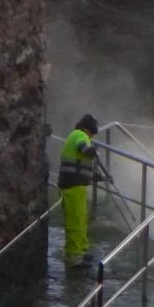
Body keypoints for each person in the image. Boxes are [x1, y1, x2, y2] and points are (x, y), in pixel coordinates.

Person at [58, 113, 99, 266]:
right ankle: (74, 257)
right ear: (88, 129)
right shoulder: (79, 135)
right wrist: (91, 150)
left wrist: (97, 177)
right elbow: (83, 148)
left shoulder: (78, 135)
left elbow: (80, 166)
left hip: (76, 186)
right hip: (72, 187)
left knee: (81, 220)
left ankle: (81, 250)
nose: (92, 137)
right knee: (75, 221)